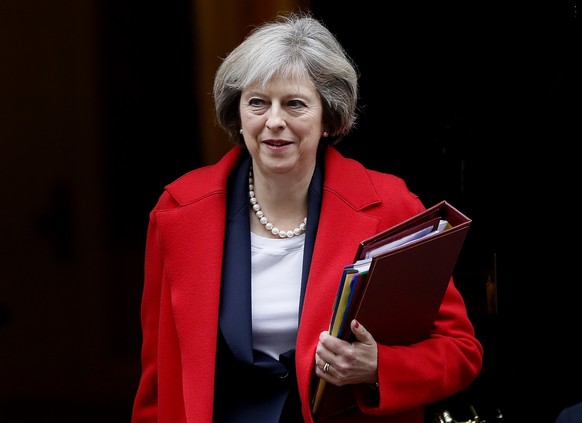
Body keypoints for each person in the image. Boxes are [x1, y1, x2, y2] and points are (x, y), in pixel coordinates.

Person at [130, 11, 483, 423]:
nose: (274, 121)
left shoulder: (390, 206)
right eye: (257, 102)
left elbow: (460, 350)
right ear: (238, 113)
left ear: (328, 117)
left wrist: (377, 367)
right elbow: (156, 379)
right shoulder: (178, 210)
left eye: (295, 104)